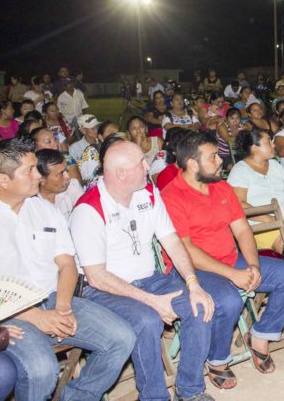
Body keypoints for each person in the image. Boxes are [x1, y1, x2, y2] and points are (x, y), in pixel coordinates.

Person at [0, 138, 135, 401]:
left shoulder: (44, 209)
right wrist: (38, 317)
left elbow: (67, 264)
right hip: (8, 312)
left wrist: (62, 307)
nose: (37, 176)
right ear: (3, 180)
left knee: (122, 338)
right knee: (42, 369)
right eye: (29, 171)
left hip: (55, 298)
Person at [69, 140, 216, 400]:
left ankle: (190, 390)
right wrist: (151, 302)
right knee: (146, 320)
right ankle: (153, 396)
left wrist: (193, 283)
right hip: (103, 290)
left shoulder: (147, 193)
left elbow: (171, 240)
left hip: (149, 280)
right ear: (121, 173)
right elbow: (97, 277)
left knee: (200, 304)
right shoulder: (89, 209)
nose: (149, 166)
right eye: (141, 163)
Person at [162, 132, 284, 386]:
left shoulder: (221, 187)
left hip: (230, 259)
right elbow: (186, 250)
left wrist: (253, 265)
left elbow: (242, 229)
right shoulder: (172, 196)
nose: (221, 162)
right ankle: (217, 360)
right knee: (228, 300)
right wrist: (233, 275)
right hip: (192, 270)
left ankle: (260, 335)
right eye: (213, 156)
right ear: (192, 163)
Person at [228, 129, 284, 252]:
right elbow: (238, 205)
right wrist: (271, 220)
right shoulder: (240, 170)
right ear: (254, 147)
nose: (273, 145)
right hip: (261, 225)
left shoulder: (275, 165)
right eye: (269, 141)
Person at [36, 148, 85, 219]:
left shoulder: (72, 186)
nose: (67, 176)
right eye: (60, 174)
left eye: (66, 170)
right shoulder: (31, 204)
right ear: (42, 179)